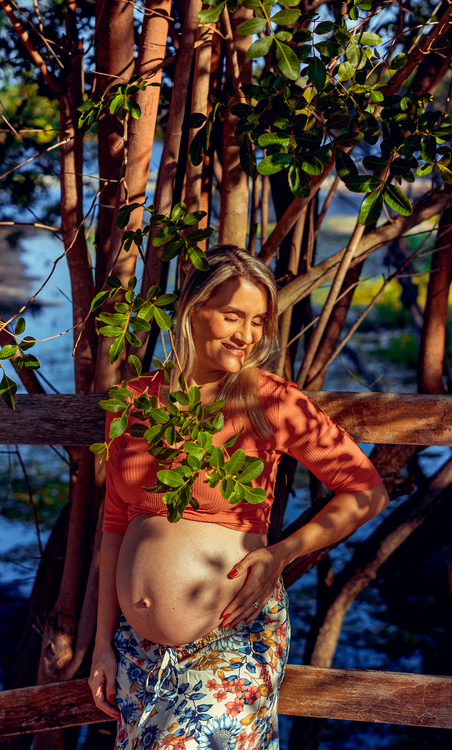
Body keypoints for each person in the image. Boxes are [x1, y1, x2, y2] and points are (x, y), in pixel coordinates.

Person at [89, 244, 388, 750]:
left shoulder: (270, 400)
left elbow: (367, 493)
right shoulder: (135, 401)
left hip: (229, 639)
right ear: (192, 309)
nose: (247, 336)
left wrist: (282, 553)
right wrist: (102, 643)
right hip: (139, 654)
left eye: (258, 321)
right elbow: (115, 524)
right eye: (233, 316)